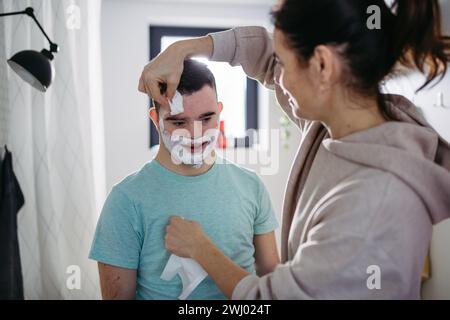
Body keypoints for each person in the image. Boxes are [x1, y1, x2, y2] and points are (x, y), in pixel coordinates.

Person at [138, 0, 450, 299]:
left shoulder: (372, 205)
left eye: (285, 64)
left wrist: (199, 248)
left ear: (322, 66)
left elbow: (268, 297)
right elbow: (263, 54)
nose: (278, 78)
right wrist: (184, 49)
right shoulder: (336, 125)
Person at [90, 59, 279, 299]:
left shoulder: (251, 186)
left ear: (220, 112)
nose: (194, 134)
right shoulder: (125, 200)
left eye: (206, 118)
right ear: (155, 120)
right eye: (178, 122)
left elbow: (274, 290)